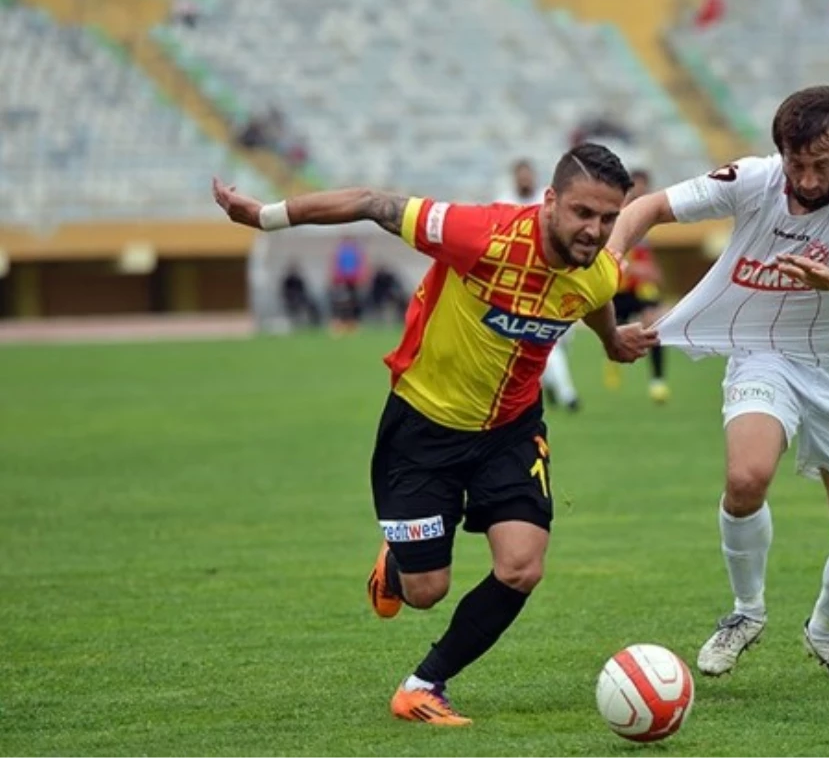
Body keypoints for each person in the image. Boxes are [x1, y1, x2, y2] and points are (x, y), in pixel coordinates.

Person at [212, 143, 657, 725]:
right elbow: (373, 203)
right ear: (550, 201)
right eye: (582, 213)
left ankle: (423, 685)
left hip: (512, 430)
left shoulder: (598, 269)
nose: (595, 230)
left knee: (522, 565)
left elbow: (595, 296)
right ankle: (398, 566)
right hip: (423, 425)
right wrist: (266, 217)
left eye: (607, 218)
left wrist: (611, 339)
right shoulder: (479, 234)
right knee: (425, 591)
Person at [608, 86, 829, 682]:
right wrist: (611, 260)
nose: (804, 178)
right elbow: (644, 208)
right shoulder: (753, 179)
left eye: (819, 165)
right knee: (746, 477)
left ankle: (824, 631)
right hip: (764, 353)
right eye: (794, 163)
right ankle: (745, 614)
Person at [496, 158, 582, 413]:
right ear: (514, 177)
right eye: (520, 175)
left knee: (562, 339)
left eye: (527, 175)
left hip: (553, 276)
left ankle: (549, 385)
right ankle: (569, 396)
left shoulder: (548, 200)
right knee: (545, 339)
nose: (524, 180)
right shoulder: (504, 200)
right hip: (522, 282)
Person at [606, 168, 669, 403]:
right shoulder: (616, 216)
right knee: (613, 330)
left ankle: (658, 381)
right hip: (617, 284)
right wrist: (632, 268)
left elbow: (647, 257)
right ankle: (610, 356)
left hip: (640, 287)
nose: (642, 192)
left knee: (653, 325)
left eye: (645, 187)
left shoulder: (650, 217)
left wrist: (651, 272)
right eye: (637, 188)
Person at [329, 236, 367, 334]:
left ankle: (351, 323)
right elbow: (336, 265)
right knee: (343, 303)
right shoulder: (343, 251)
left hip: (351, 280)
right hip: (344, 280)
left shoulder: (353, 251)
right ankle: (341, 323)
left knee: (353, 302)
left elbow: (359, 265)